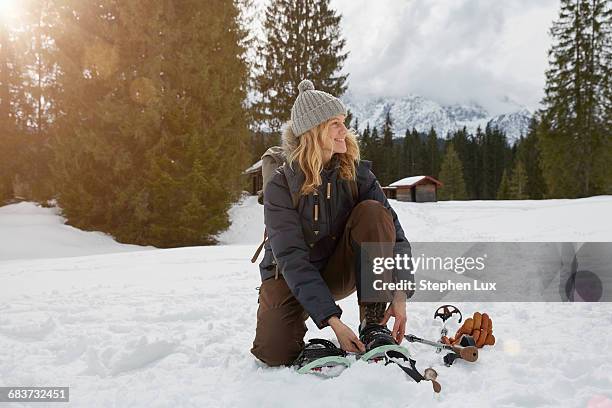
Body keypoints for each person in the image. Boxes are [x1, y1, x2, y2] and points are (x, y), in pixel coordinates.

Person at [251, 79, 414, 367]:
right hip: (289, 278)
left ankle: (373, 324)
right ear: (313, 132)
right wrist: (334, 323)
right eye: (334, 124)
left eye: (343, 122)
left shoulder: (357, 174)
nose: (345, 130)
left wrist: (400, 294)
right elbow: (291, 258)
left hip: (337, 270)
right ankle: (295, 328)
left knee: (375, 213)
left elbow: (396, 237)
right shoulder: (281, 185)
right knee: (274, 353)